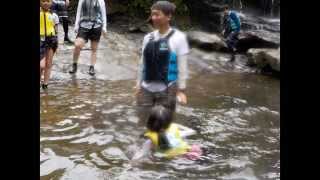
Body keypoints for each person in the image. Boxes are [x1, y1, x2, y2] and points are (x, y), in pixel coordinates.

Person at [135, 1, 189, 124]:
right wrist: (138, 84)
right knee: (143, 123)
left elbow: (182, 66)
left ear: (168, 16)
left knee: (163, 125)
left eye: (157, 14)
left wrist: (181, 90)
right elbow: (142, 62)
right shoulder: (148, 38)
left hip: (167, 89)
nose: (153, 18)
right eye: (152, 14)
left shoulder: (179, 38)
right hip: (146, 88)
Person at [132, 105, 202, 161]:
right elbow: (191, 132)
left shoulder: (149, 141)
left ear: (149, 122)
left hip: (176, 158)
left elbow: (140, 154)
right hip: (188, 151)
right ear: (169, 122)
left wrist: (132, 162)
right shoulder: (174, 129)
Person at [69, 0, 107, 76]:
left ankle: (92, 67)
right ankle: (74, 64)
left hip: (96, 26)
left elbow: (103, 14)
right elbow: (78, 13)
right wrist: (76, 26)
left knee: (94, 48)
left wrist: (104, 27)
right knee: (77, 45)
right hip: (84, 25)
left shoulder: (101, 1)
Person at [40, 0, 59, 89]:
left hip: (51, 40)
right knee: (41, 65)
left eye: (48, 1)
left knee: (48, 63)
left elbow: (56, 30)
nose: (46, 3)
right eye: (43, 1)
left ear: (51, 3)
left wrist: (57, 43)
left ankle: (45, 84)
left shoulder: (54, 15)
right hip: (40, 40)